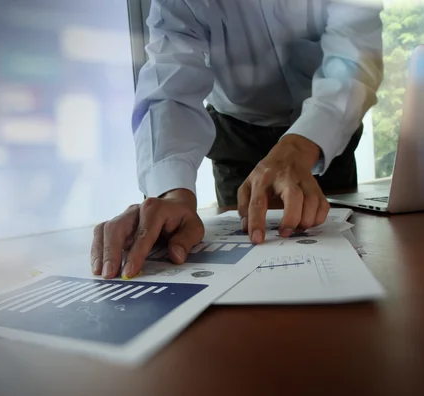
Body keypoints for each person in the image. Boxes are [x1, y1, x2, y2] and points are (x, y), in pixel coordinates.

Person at [92, 0, 384, 279]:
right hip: (236, 134)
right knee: (244, 261)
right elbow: (169, 86)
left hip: (325, 136)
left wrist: (298, 146)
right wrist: (173, 194)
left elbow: (354, 58)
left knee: (339, 247)